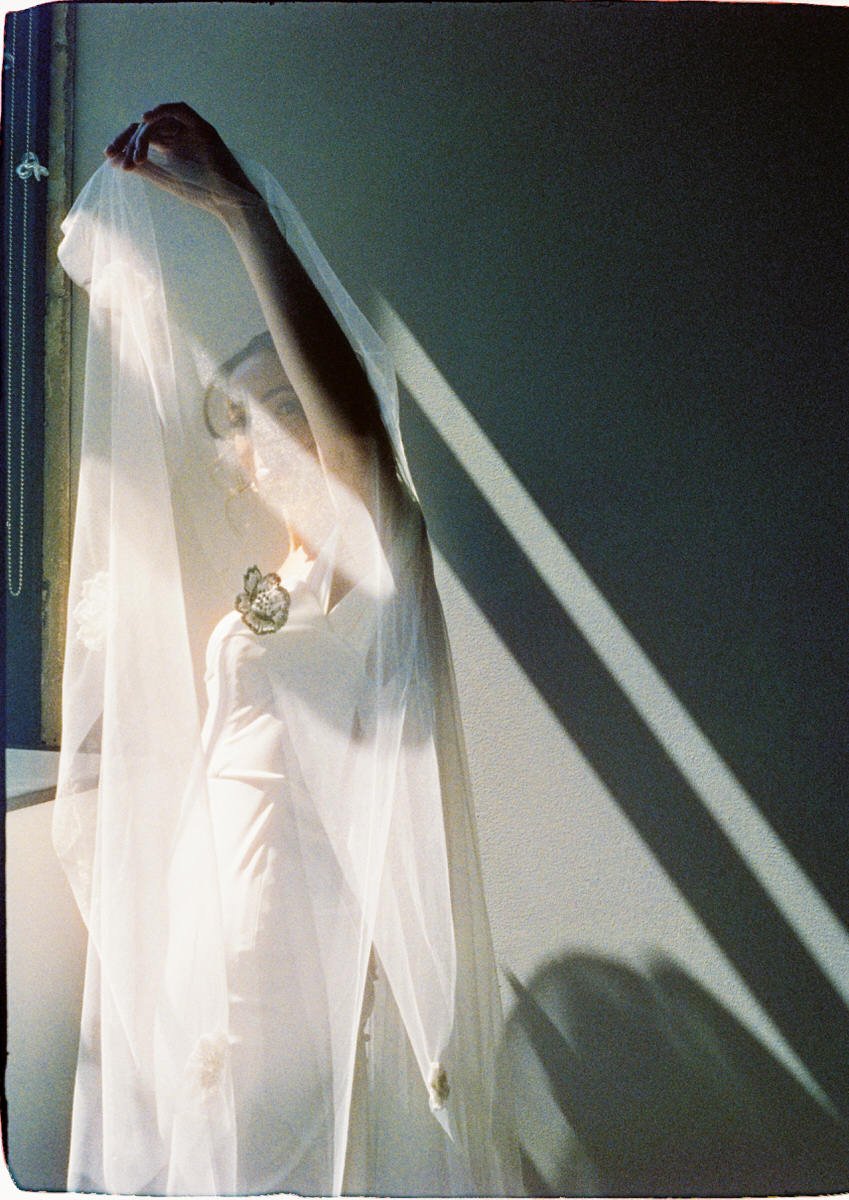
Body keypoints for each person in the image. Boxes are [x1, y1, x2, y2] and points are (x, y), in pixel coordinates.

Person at [54, 103, 521, 1196]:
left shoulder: (373, 557)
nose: (261, 451)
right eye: (242, 434)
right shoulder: (294, 584)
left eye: (282, 414)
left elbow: (355, 433)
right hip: (212, 936)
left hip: (283, 950)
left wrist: (238, 211)